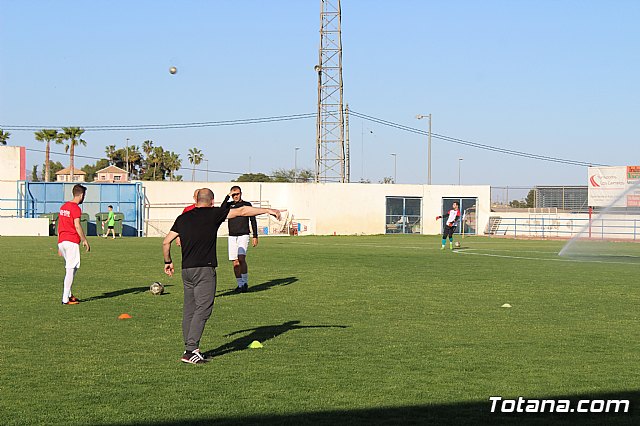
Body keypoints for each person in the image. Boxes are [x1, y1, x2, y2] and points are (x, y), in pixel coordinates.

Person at [162, 188, 283, 364]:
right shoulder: (214, 214)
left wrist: (168, 262)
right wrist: (268, 210)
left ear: (196, 200)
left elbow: (166, 242)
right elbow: (242, 211)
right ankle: (190, 350)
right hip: (205, 270)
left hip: (186, 270)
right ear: (212, 201)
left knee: (189, 310)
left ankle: (190, 348)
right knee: (204, 308)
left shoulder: (183, 218)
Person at [58, 184, 90, 305]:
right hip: (71, 241)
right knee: (70, 270)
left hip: (63, 241)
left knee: (73, 267)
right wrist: (84, 240)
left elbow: (61, 224)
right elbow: (77, 225)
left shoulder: (64, 207)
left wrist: (59, 244)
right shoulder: (75, 208)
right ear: (81, 195)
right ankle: (65, 299)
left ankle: (70, 295)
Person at [226, 186, 259, 293]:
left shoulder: (247, 205)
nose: (236, 196)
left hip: (243, 235)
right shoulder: (229, 205)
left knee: (241, 258)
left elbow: (253, 220)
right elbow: (221, 208)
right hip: (232, 236)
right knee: (235, 262)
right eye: (233, 194)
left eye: (238, 194)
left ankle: (245, 283)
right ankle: (239, 285)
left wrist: (255, 236)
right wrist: (227, 196)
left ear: (241, 193)